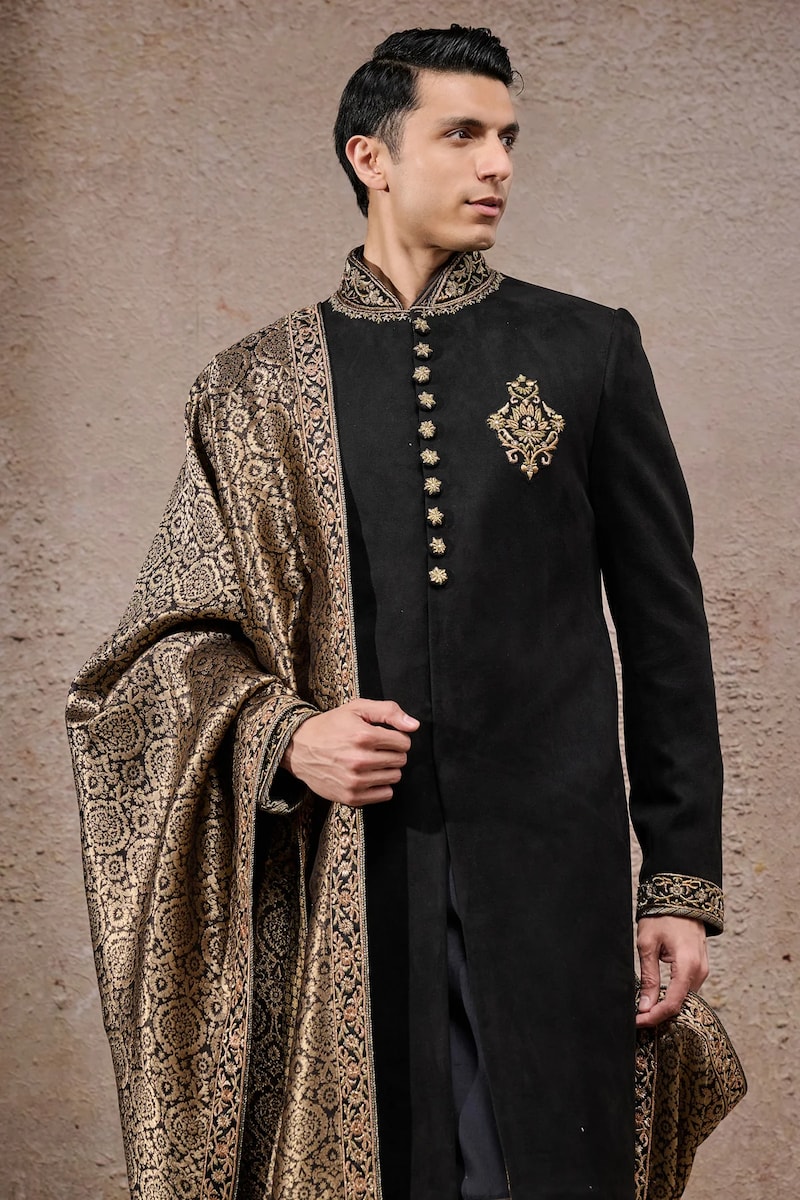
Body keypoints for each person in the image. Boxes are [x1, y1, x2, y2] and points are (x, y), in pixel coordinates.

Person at [67, 24, 724, 1200]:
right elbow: (160, 655)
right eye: (460, 134)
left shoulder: (584, 349)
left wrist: (675, 881)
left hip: (549, 873)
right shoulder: (256, 385)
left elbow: (664, 628)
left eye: (506, 137)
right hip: (348, 874)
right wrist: (285, 737)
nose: (497, 164)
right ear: (369, 156)